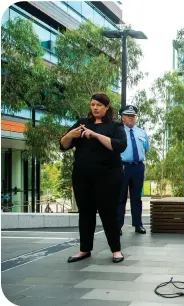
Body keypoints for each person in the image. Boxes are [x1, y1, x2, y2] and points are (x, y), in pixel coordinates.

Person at [60, 92, 127, 263]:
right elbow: (63, 145)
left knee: (108, 212)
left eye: (98, 105)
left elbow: (119, 146)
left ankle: (116, 250)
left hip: (108, 177)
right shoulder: (82, 124)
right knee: (85, 213)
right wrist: (70, 136)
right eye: (92, 105)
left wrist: (96, 135)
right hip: (82, 176)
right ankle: (84, 250)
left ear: (106, 107)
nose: (95, 108)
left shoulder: (115, 126)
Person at [117, 105, 150, 235]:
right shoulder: (118, 131)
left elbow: (146, 148)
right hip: (122, 166)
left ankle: (138, 224)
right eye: (128, 116)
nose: (131, 118)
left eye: (133, 116)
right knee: (121, 197)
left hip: (138, 166)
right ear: (122, 117)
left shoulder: (141, 132)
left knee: (137, 197)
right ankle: (118, 225)